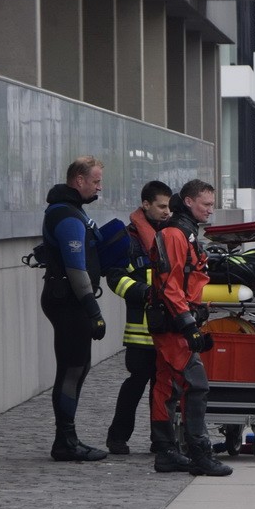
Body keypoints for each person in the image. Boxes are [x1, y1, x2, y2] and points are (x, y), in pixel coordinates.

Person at [148, 179, 232, 476]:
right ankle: (200, 455)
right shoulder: (175, 233)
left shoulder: (183, 233)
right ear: (188, 202)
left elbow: (184, 281)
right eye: (206, 204)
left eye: (211, 204)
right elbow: (171, 286)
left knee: (166, 386)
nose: (211, 210)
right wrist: (188, 326)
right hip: (173, 324)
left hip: (174, 321)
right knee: (195, 386)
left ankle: (166, 452)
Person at [40, 156, 109, 462]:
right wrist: (94, 312)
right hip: (69, 303)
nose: (99, 186)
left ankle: (66, 438)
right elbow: (76, 269)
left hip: (70, 301)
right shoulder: (67, 215)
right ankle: (65, 441)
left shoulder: (72, 211)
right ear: (78, 181)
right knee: (71, 369)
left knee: (78, 368)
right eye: (95, 181)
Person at [103, 181, 173, 454]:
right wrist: (144, 293)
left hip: (167, 328)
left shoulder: (171, 233)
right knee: (136, 384)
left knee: (163, 387)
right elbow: (115, 277)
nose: (167, 212)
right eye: (161, 206)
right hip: (140, 332)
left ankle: (161, 440)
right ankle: (117, 437)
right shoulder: (129, 239)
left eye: (169, 206)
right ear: (146, 205)